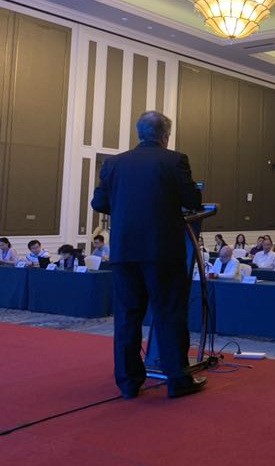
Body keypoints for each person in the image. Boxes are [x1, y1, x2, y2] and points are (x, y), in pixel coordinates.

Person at [91, 110, 206, 400]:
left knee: (127, 317)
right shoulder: (175, 160)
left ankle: (128, 383)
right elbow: (193, 200)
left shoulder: (114, 163)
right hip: (162, 251)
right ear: (165, 135)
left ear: (138, 134)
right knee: (169, 314)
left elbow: (99, 202)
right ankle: (177, 380)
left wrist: (127, 207)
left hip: (124, 251)